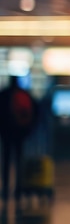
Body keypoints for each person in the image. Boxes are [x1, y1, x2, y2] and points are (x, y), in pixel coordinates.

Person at [0, 76, 38, 206]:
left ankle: (5, 189)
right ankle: (19, 189)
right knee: (19, 161)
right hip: (20, 133)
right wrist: (28, 130)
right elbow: (35, 111)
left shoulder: (4, 94)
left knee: (5, 162)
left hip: (6, 134)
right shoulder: (24, 94)